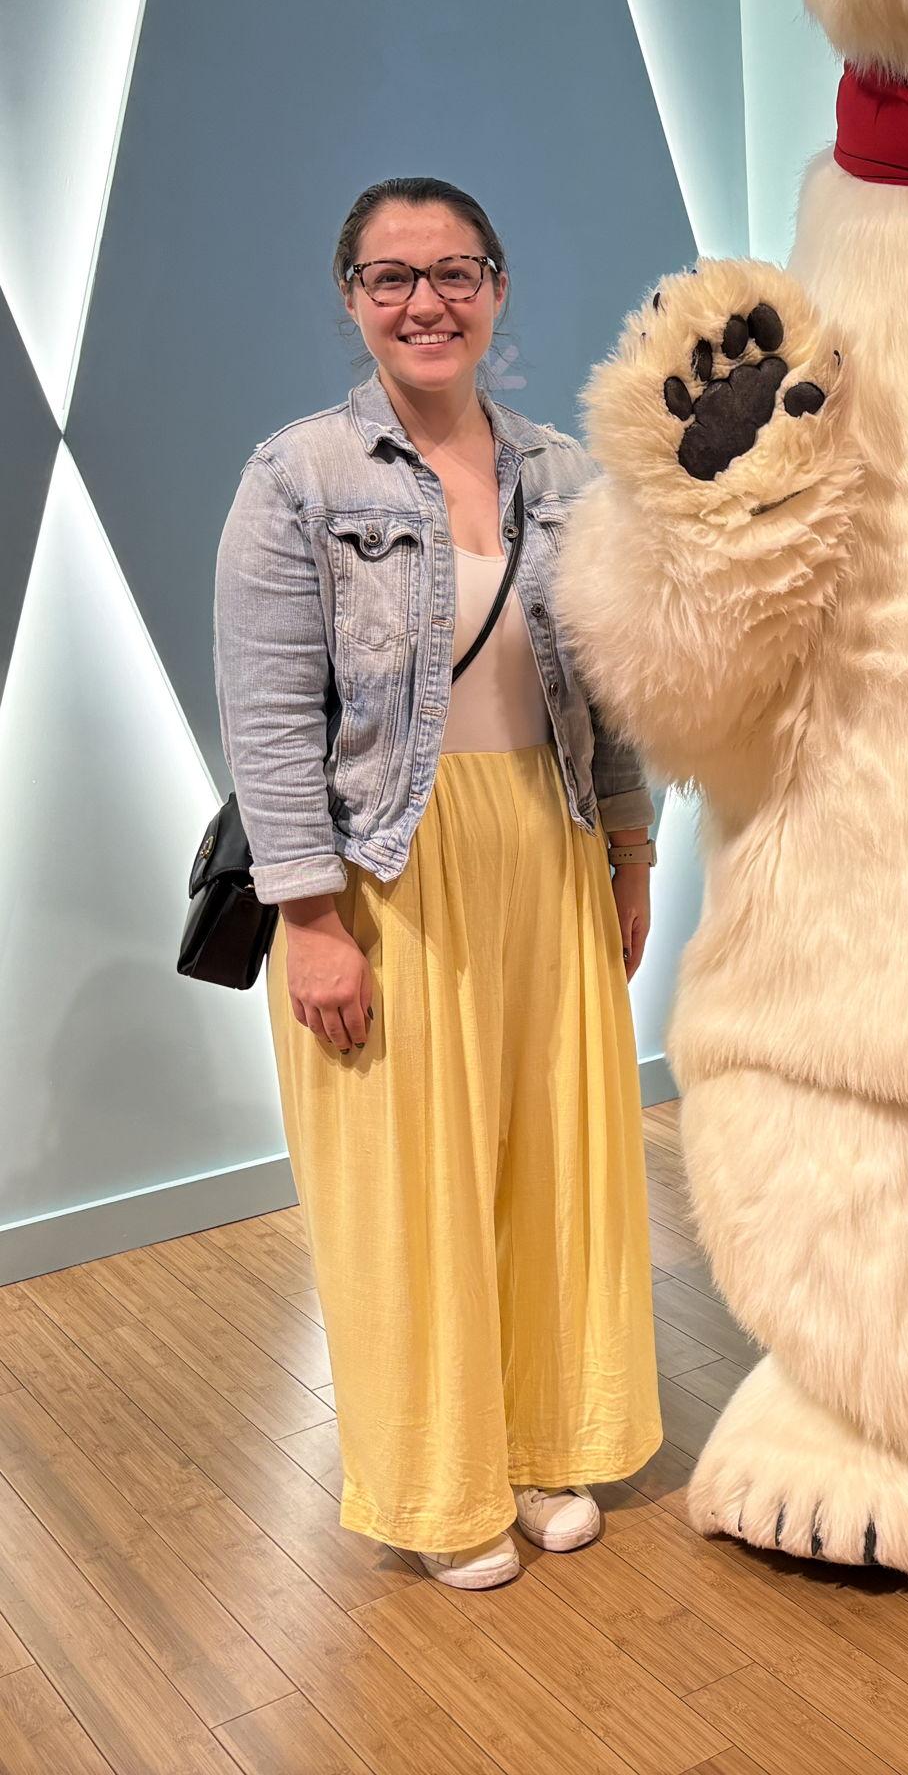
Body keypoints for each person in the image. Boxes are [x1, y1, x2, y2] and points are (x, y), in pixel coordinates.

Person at [214, 177, 663, 1589]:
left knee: (558, 1156)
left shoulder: (565, 475)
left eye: (455, 272)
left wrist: (631, 841)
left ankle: (548, 1439)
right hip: (385, 867)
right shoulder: (300, 475)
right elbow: (269, 711)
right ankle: (441, 1482)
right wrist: (311, 919)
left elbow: (614, 682)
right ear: (352, 296)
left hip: (547, 838)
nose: (426, 302)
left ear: (499, 287)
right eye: (393, 276)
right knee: (406, 1186)